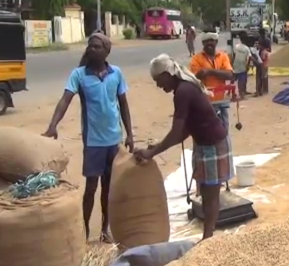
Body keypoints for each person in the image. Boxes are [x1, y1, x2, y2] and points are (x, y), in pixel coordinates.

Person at [42, 32, 134, 243]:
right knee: (91, 188)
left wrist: (130, 134)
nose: (91, 49)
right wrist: (52, 126)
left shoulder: (116, 73)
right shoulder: (79, 75)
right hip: (93, 142)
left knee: (108, 188)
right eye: (90, 46)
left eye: (96, 47)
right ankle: (84, 231)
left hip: (114, 140)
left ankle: (104, 229)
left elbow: (123, 104)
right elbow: (65, 100)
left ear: (106, 51)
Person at [135, 54, 231, 241]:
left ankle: (208, 239)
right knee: (206, 193)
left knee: (211, 195)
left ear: (167, 74)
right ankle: (208, 236)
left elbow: (177, 131)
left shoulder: (183, 92)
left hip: (212, 144)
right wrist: (157, 147)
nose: (158, 85)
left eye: (158, 80)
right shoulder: (183, 89)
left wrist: (152, 152)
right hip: (204, 143)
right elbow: (185, 130)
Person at [189, 31, 235, 129]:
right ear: (203, 43)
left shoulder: (223, 56)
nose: (209, 43)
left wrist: (209, 72)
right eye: (206, 41)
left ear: (216, 42)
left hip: (221, 101)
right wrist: (218, 73)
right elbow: (193, 78)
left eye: (212, 41)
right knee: (208, 131)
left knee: (224, 130)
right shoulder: (196, 59)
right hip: (204, 102)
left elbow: (230, 74)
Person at [230, 33, 251, 100]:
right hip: (242, 67)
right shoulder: (247, 48)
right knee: (241, 82)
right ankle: (241, 95)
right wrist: (247, 66)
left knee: (233, 80)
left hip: (235, 66)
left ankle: (233, 94)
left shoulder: (236, 46)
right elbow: (249, 58)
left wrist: (231, 64)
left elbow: (233, 56)